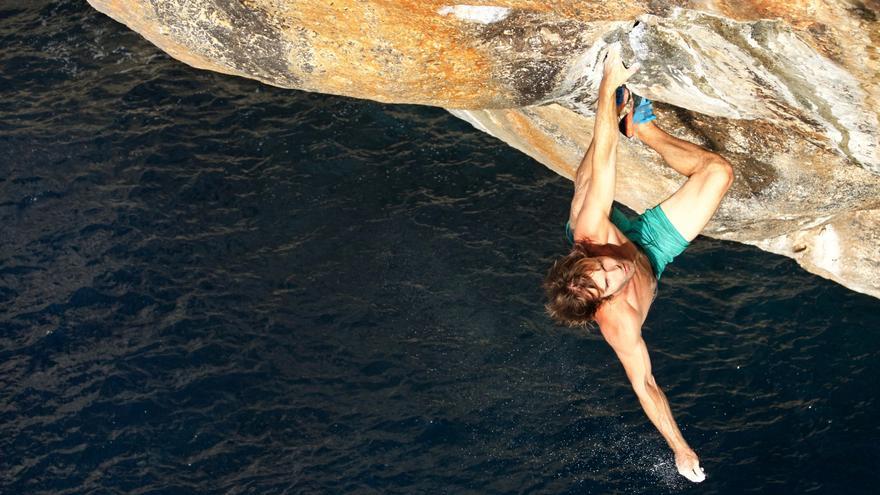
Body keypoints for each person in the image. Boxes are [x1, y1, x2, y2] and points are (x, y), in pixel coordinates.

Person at [543, 44, 734, 483]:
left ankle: (630, 122)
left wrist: (608, 84)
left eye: (601, 266)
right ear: (604, 302)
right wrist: (679, 448)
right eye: (610, 280)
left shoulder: (594, 238)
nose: (616, 268)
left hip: (614, 230)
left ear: (585, 259)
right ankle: (641, 125)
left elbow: (606, 162)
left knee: (587, 190)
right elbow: (645, 385)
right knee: (718, 172)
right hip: (654, 250)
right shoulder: (619, 322)